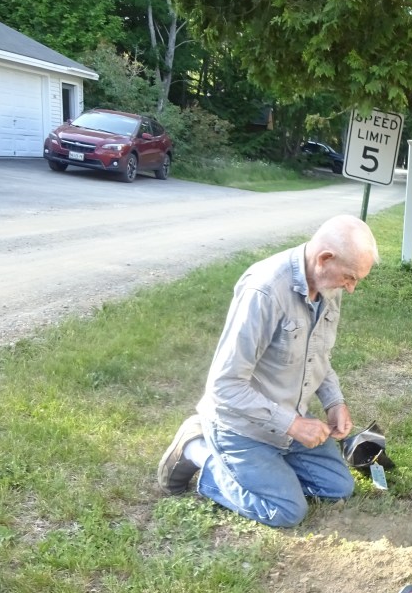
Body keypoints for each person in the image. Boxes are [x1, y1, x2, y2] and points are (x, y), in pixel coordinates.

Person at [157, 214, 379, 527]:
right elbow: (224, 386)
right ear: (325, 258)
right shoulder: (264, 290)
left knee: (338, 487)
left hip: (286, 428)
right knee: (287, 511)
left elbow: (319, 354)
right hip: (241, 428)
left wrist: (334, 401)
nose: (352, 287)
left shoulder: (330, 287)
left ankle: (270, 470)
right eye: (350, 277)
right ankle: (199, 451)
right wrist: (293, 425)